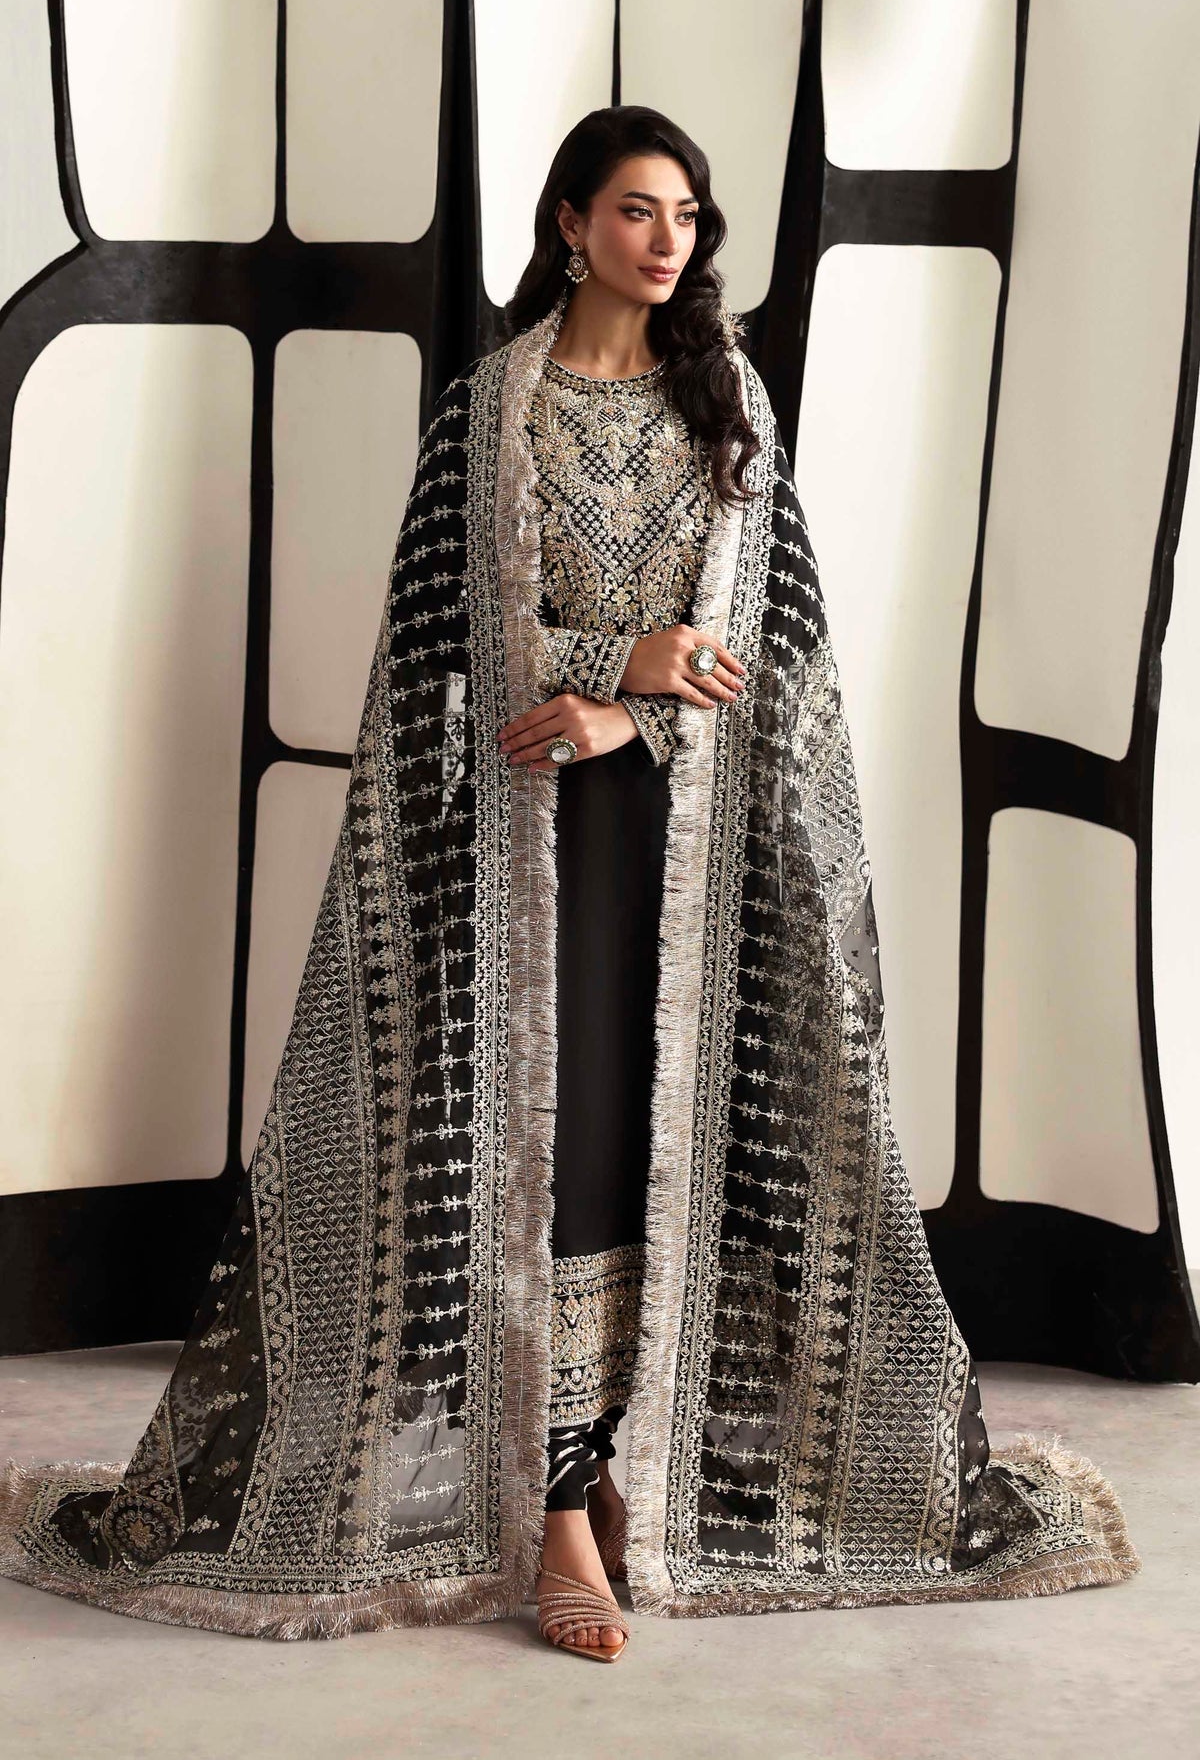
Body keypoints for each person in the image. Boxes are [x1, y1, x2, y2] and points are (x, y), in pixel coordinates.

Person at [0, 107, 1139, 1659]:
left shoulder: (726, 402)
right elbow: (437, 651)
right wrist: (610, 663)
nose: (668, 240)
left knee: (652, 1160)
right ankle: (553, 1518)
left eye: (687, 214)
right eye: (636, 211)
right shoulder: (493, 411)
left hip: (693, 850)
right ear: (571, 226)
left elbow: (769, 648)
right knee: (542, 1161)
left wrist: (634, 709)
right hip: (519, 851)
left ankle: (620, 1482)